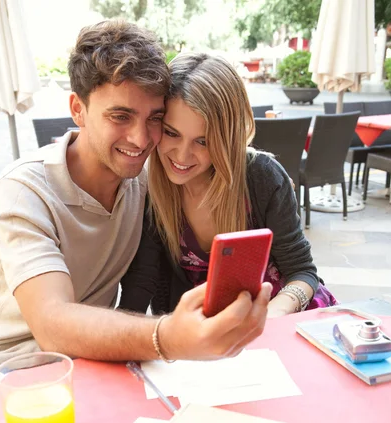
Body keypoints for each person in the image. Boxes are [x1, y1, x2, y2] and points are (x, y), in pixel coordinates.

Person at [0, 22, 272, 367]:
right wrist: (167, 337)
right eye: (120, 116)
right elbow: (52, 325)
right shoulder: (25, 192)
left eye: (154, 118)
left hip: (97, 363)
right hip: (14, 373)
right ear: (78, 109)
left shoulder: (147, 183)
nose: (141, 140)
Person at [120, 53, 337, 317]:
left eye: (203, 141)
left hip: (286, 319)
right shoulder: (149, 188)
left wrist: (273, 313)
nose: (182, 155)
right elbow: (142, 283)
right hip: (206, 335)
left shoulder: (261, 177)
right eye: (171, 133)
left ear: (228, 139)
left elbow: (302, 271)